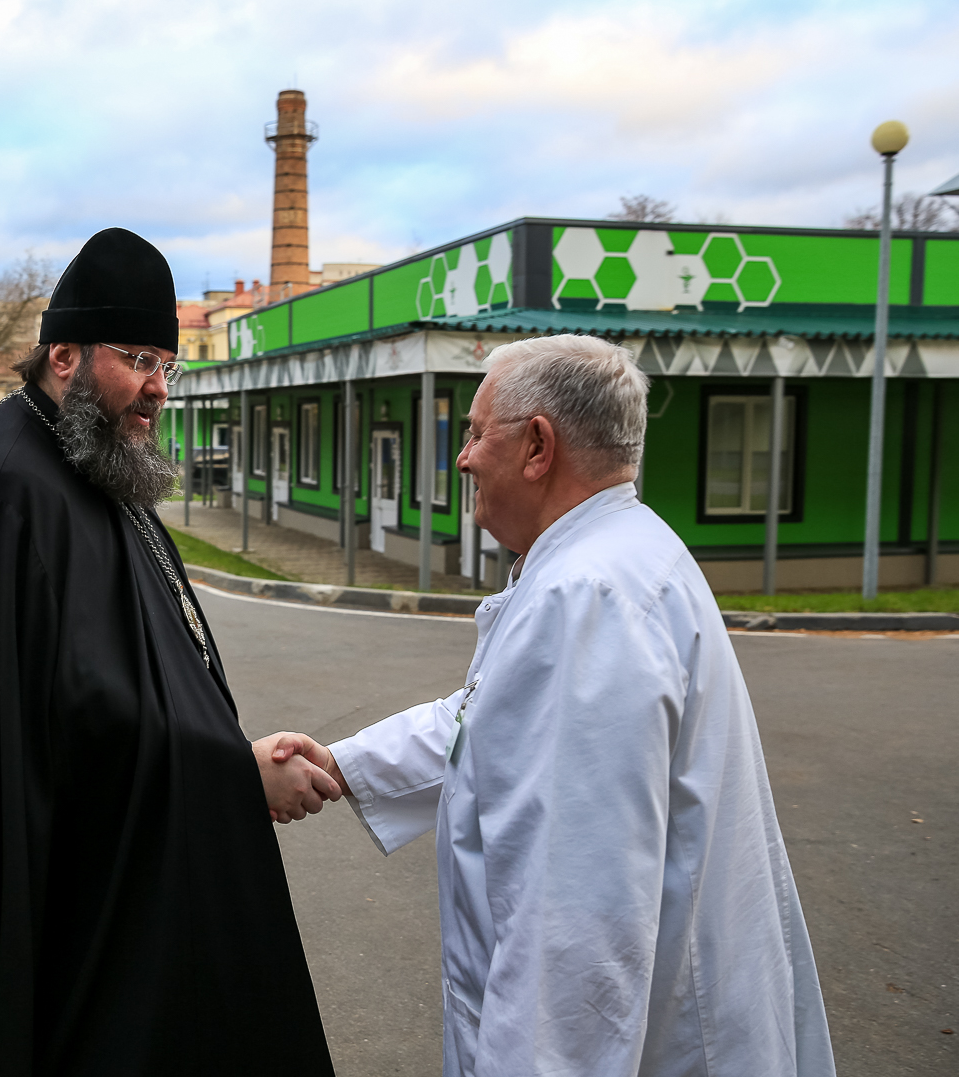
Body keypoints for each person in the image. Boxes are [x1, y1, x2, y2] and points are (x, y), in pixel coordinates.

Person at [271, 335, 835, 1077]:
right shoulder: (613, 557)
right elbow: (484, 721)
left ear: (538, 446)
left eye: (476, 433)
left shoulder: (588, 598)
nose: (464, 457)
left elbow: (572, 933)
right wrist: (343, 764)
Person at [0, 228, 340, 1076]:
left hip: (107, 896)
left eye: (169, 364)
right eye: (139, 360)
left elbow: (124, 671)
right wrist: (233, 776)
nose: (159, 388)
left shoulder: (88, 460)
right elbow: (55, 735)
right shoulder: (11, 492)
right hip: (56, 917)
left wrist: (231, 752)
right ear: (64, 356)